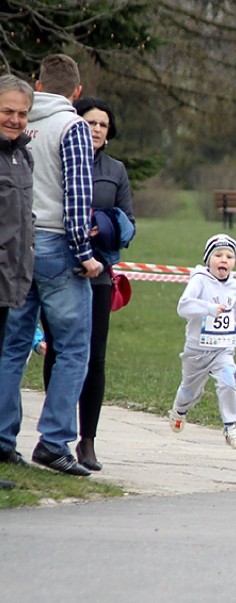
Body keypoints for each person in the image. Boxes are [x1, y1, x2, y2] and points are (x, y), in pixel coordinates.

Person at [0, 54, 101, 476]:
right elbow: (77, 195)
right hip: (60, 246)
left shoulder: (26, 125)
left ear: (37, 85)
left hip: (22, 246)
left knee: (14, 348)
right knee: (74, 349)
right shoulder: (72, 126)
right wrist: (85, 253)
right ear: (76, 93)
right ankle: (55, 440)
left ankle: (4, 438)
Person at [40, 97, 135, 472]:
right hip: (62, 268)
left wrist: (104, 225)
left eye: (103, 125)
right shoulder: (61, 158)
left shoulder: (116, 170)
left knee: (95, 357)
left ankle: (88, 440)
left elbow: (129, 224)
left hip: (100, 274)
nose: (97, 129)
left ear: (110, 133)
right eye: (90, 122)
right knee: (60, 353)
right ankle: (53, 435)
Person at [168, 234, 236, 449]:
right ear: (208, 259)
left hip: (223, 348)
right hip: (197, 350)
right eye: (218, 255)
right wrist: (209, 309)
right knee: (189, 390)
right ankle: (179, 410)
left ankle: (231, 427)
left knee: (229, 379)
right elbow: (183, 306)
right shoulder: (199, 280)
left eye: (229, 256)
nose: (223, 260)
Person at [0, 74, 34, 366]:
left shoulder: (22, 157)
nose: (15, 120)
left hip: (11, 281)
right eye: (7, 111)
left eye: (22, 114)